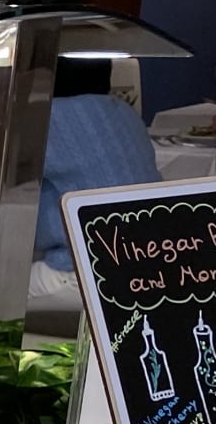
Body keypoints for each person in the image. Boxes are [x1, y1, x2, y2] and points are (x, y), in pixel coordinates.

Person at [29, 55, 162, 322]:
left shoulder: (43, 120)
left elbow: (0, 191)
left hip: (87, 273)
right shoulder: (125, 113)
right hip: (152, 265)